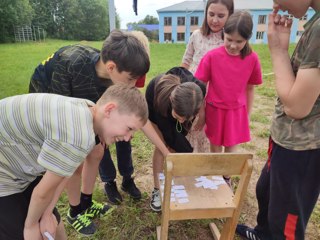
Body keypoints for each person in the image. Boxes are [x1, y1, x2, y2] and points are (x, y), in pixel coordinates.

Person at [28, 30, 150, 235]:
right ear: (111, 68)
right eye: (130, 79)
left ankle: (86, 202)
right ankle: (74, 212)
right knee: (75, 160)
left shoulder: (112, 77)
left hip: (81, 103)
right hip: (52, 101)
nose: (131, 86)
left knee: (97, 152)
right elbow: (61, 115)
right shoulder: (71, 64)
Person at [0, 85, 148, 240]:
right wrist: (30, 226)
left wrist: (47, 213)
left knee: (51, 223)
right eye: (129, 128)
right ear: (109, 110)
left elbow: (64, 173)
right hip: (6, 173)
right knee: (30, 233)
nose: (127, 138)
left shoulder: (90, 110)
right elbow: (42, 194)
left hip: (19, 163)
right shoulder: (77, 136)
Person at [236, 1, 320, 239]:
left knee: (287, 219)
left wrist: (277, 50)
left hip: (303, 148)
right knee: (267, 191)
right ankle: (263, 234)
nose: (276, 4)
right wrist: (281, 46)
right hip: (287, 139)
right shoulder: (314, 22)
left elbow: (296, 106)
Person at [194, 11, 263, 186]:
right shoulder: (212, 56)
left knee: (231, 148)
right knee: (215, 146)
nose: (233, 45)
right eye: (229, 39)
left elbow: (250, 88)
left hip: (236, 111)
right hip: (214, 109)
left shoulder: (252, 59)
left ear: (247, 39)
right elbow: (200, 86)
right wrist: (201, 114)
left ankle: (226, 177)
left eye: (239, 41)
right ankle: (216, 177)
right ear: (223, 33)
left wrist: (247, 114)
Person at [98, 30, 150, 205]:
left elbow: (134, 98)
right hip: (104, 109)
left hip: (122, 109)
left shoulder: (135, 73)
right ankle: (109, 181)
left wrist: (130, 124)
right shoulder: (108, 72)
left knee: (124, 140)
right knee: (101, 144)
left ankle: (127, 178)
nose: (134, 83)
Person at [146, 67, 206, 211]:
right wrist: (176, 149)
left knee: (178, 145)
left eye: (185, 118)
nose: (182, 120)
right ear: (172, 104)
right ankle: (157, 189)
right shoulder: (162, 101)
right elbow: (168, 136)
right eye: (178, 117)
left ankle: (176, 184)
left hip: (182, 108)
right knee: (163, 147)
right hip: (155, 108)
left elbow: (201, 104)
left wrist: (201, 117)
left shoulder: (198, 91)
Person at [181, 0, 234, 153]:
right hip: (194, 90)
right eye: (211, 14)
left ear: (230, 16)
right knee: (192, 129)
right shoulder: (197, 35)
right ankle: (189, 165)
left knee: (209, 133)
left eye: (221, 15)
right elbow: (185, 62)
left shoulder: (230, 40)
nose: (215, 20)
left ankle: (208, 170)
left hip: (216, 94)